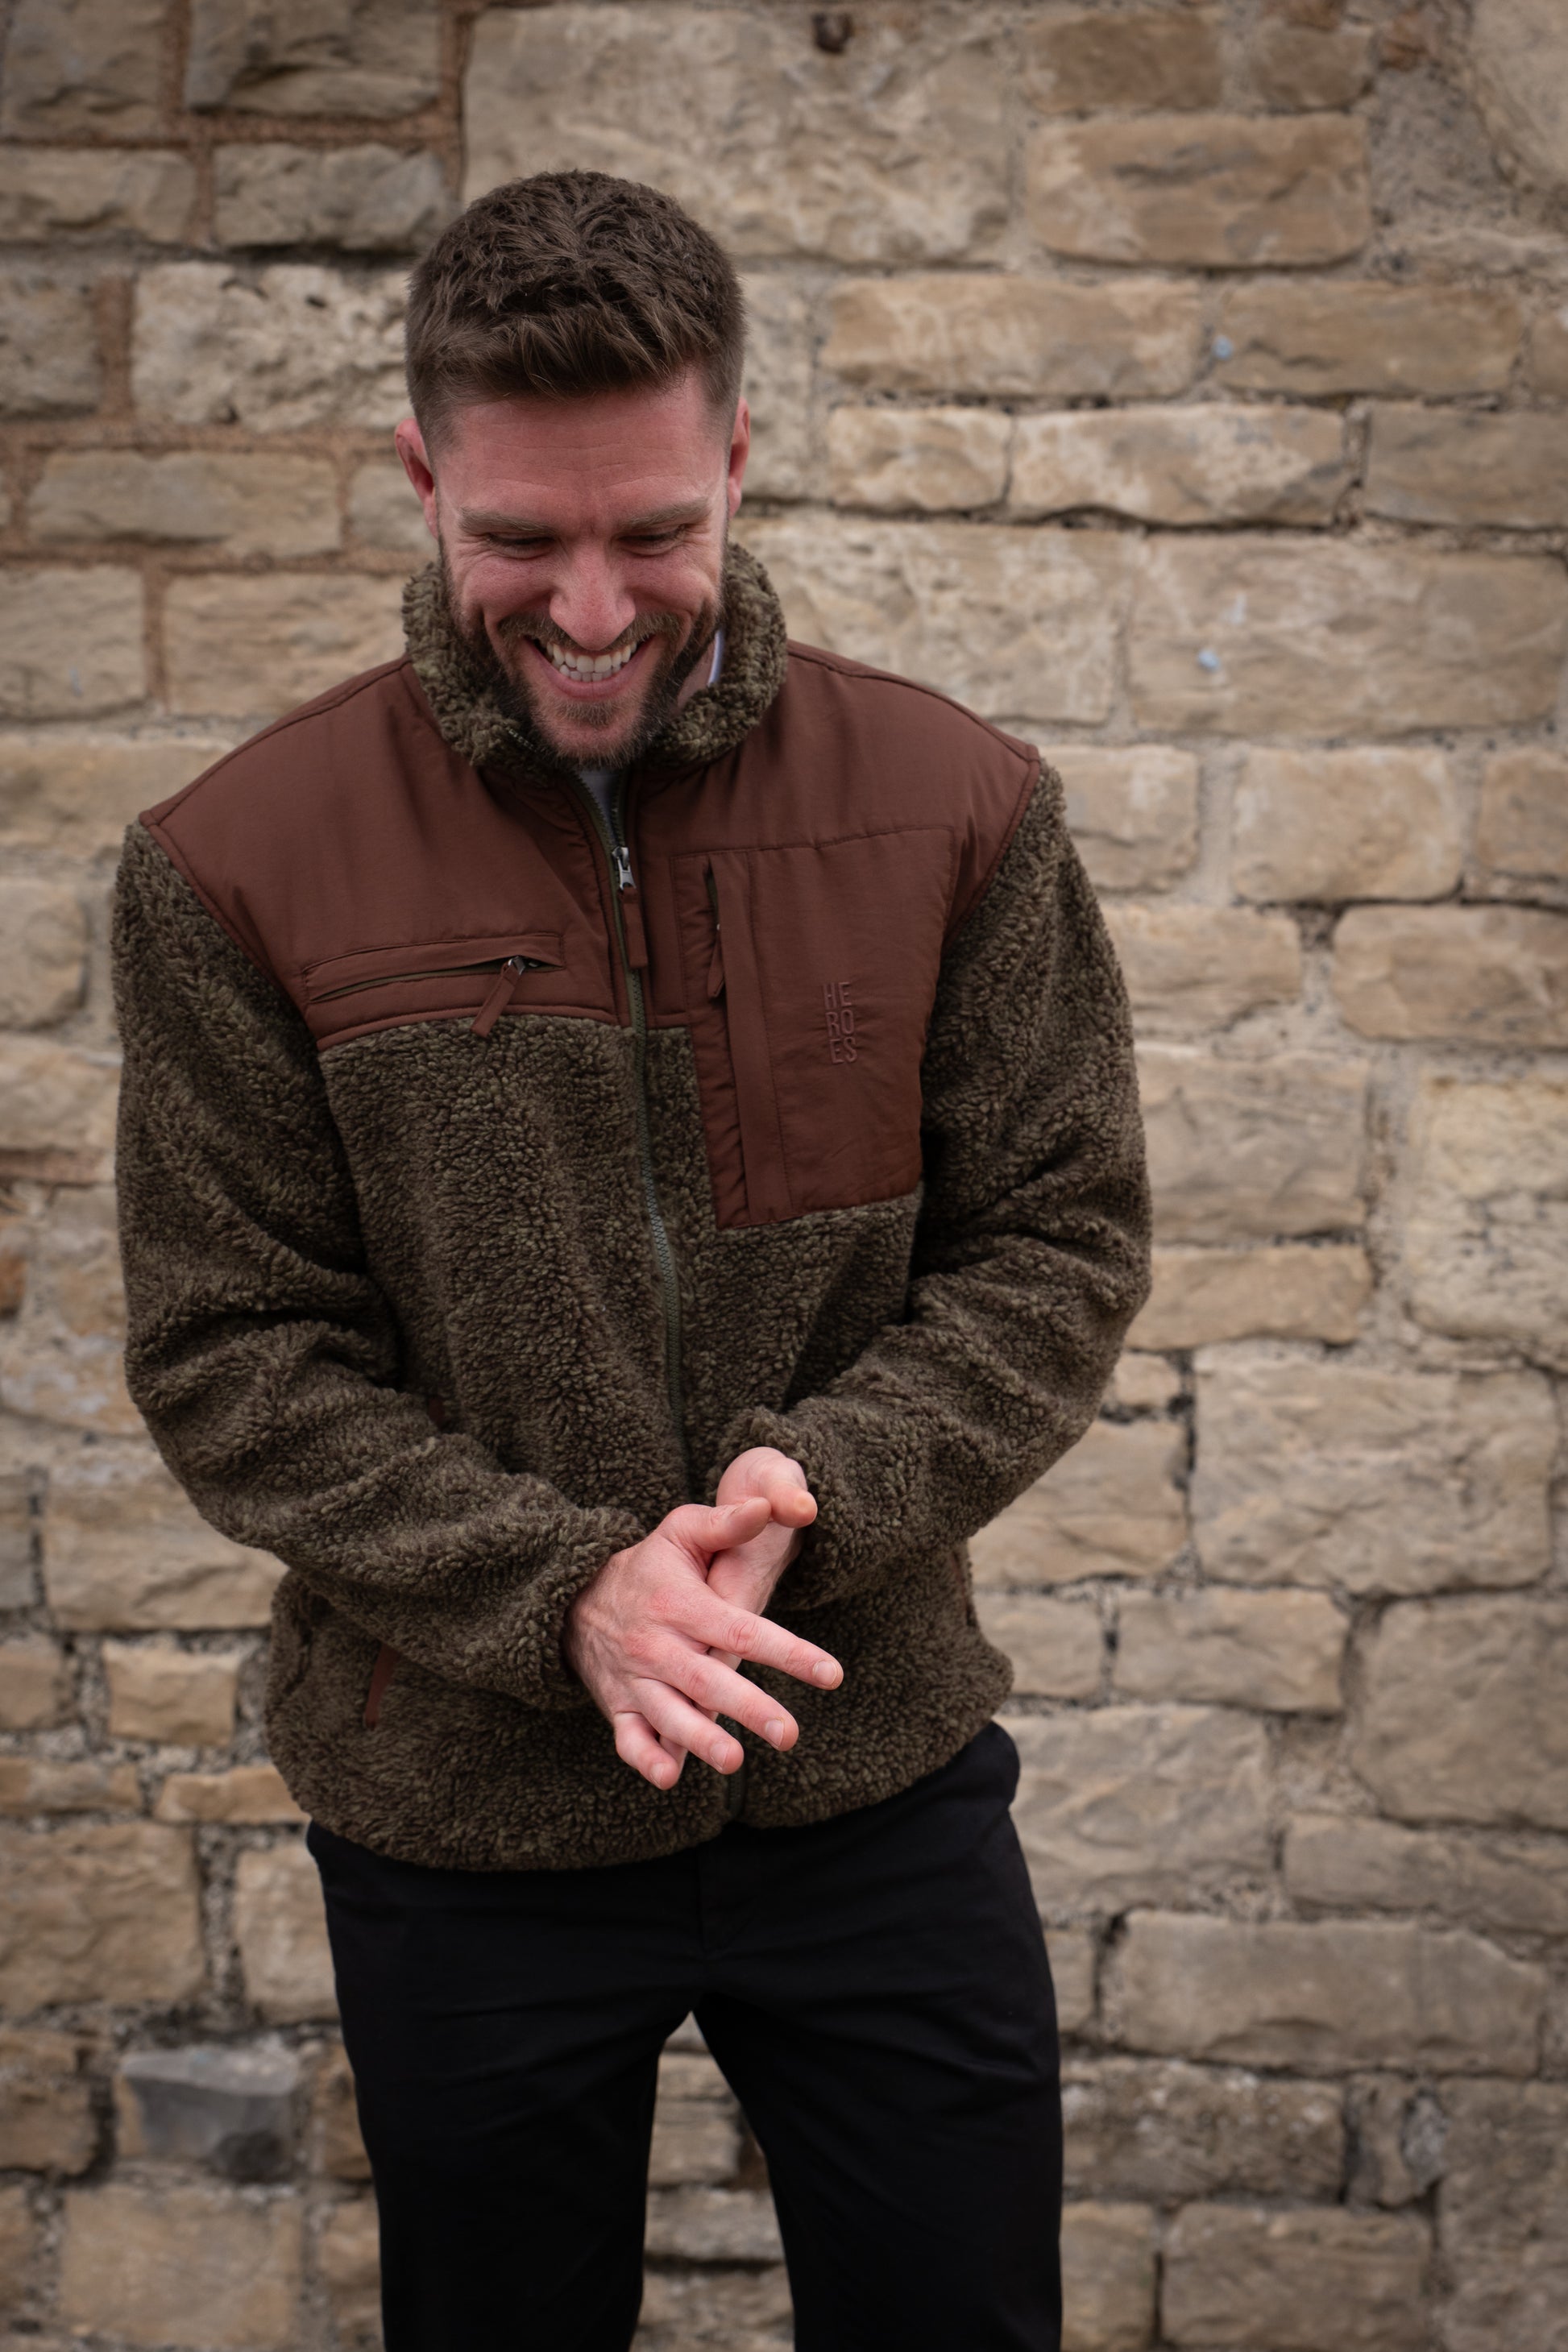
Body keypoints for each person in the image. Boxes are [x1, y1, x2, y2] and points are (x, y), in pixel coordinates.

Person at [111, 171, 1151, 2352]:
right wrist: (565, 1592)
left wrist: (814, 1490)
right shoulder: (232, 866)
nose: (590, 608)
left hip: (870, 1776)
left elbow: (1051, 1240)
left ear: (740, 460)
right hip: (459, 1824)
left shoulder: (960, 805)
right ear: (419, 474)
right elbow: (235, 1351)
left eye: (650, 531)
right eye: (519, 541)